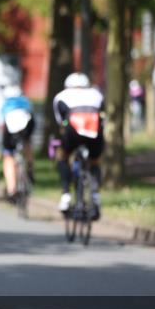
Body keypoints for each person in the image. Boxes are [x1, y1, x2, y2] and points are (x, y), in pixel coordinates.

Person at [52, 72, 105, 218]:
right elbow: (102, 113)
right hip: (95, 128)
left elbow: (60, 122)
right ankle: (95, 196)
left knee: (63, 156)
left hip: (73, 128)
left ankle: (66, 195)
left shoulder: (61, 96)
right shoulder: (97, 93)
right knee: (95, 161)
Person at [0, 85, 35, 200]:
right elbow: (32, 117)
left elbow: (1, 124)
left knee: (8, 156)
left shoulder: (4, 104)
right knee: (27, 142)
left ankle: (11, 189)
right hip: (27, 123)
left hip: (10, 126)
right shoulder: (25, 101)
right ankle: (29, 167)